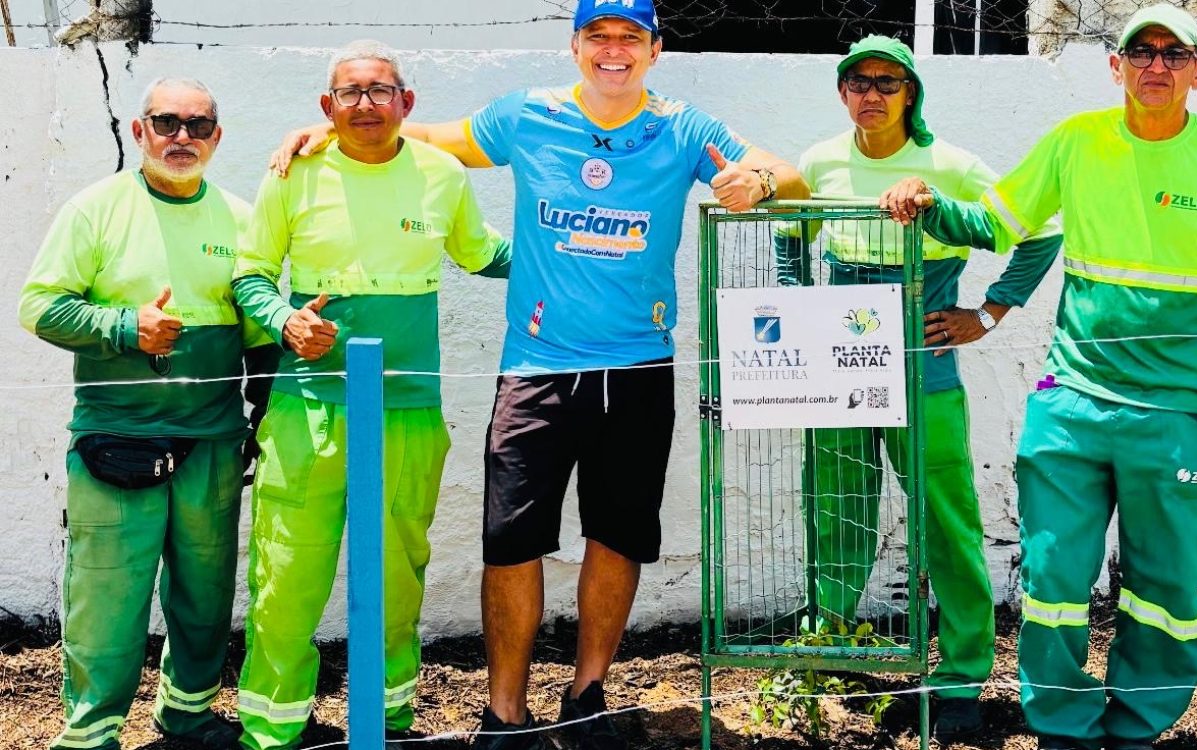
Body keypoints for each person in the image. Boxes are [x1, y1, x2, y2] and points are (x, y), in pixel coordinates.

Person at [270, 2, 808, 748]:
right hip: (535, 371)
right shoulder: (526, 115)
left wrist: (758, 184)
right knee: (512, 544)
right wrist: (333, 129)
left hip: (638, 365)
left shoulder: (683, 126)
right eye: (598, 37)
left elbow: (791, 173)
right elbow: (429, 137)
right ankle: (505, 713)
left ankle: (589, 697)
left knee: (617, 540)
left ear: (654, 48)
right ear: (575, 46)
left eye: (628, 38)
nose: (612, 50)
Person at [880, 5, 1197, 749]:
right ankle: (1063, 730)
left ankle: (1135, 730)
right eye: (1140, 52)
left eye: (1175, 53)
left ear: (1196, 70)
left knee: (1169, 594)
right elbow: (994, 222)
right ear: (1115, 67)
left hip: (1178, 413)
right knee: (1053, 585)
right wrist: (924, 204)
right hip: (1075, 405)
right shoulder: (1075, 142)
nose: (1157, 65)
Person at [775, 35, 1063, 741]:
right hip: (837, 366)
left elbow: (1041, 231)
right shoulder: (819, 160)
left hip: (924, 362)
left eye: (887, 82)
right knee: (836, 503)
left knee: (946, 517)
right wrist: (793, 308)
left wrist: (988, 311)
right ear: (842, 92)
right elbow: (789, 236)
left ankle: (962, 669)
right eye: (857, 82)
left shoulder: (952, 166)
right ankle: (827, 644)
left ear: (912, 93)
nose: (871, 94)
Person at [232, 40, 511, 750]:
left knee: (396, 573)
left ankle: (387, 716)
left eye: (380, 91)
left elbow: (484, 255)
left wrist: (567, 252)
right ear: (327, 107)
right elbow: (251, 275)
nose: (365, 104)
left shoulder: (443, 176)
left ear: (406, 104)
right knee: (287, 566)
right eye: (349, 93)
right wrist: (284, 321)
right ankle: (272, 724)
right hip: (307, 405)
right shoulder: (292, 173)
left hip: (409, 406)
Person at [18, 78, 277, 750]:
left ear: (217, 138)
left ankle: (187, 715)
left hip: (213, 444)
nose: (181, 137)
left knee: (204, 597)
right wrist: (124, 326)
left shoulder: (244, 218)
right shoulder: (94, 210)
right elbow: (39, 306)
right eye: (166, 122)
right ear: (140, 132)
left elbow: (258, 335)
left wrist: (266, 408)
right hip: (117, 439)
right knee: (105, 602)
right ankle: (90, 734)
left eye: (197, 125)